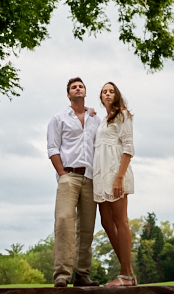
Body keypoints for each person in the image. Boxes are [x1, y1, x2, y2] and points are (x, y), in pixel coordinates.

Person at [47, 77, 102, 287]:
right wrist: (62, 173)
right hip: (68, 176)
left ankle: (82, 274)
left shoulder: (95, 118)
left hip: (90, 177)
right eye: (73, 87)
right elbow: (52, 148)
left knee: (87, 227)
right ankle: (62, 274)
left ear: (85, 92)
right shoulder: (58, 118)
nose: (77, 89)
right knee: (63, 222)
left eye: (81, 86)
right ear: (68, 95)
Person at [93, 82, 136, 287]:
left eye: (111, 91)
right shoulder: (102, 120)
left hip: (115, 173)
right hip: (101, 175)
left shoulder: (123, 115)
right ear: (101, 97)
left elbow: (128, 148)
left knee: (121, 220)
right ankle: (128, 272)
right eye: (104, 92)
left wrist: (120, 177)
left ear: (116, 95)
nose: (107, 94)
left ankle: (125, 276)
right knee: (106, 222)